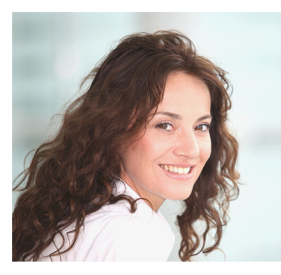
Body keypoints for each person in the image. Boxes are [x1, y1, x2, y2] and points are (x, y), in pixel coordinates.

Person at [12, 30, 240, 262]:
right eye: (164, 125)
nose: (191, 150)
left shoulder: (85, 212)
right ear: (114, 129)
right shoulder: (130, 235)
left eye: (201, 127)